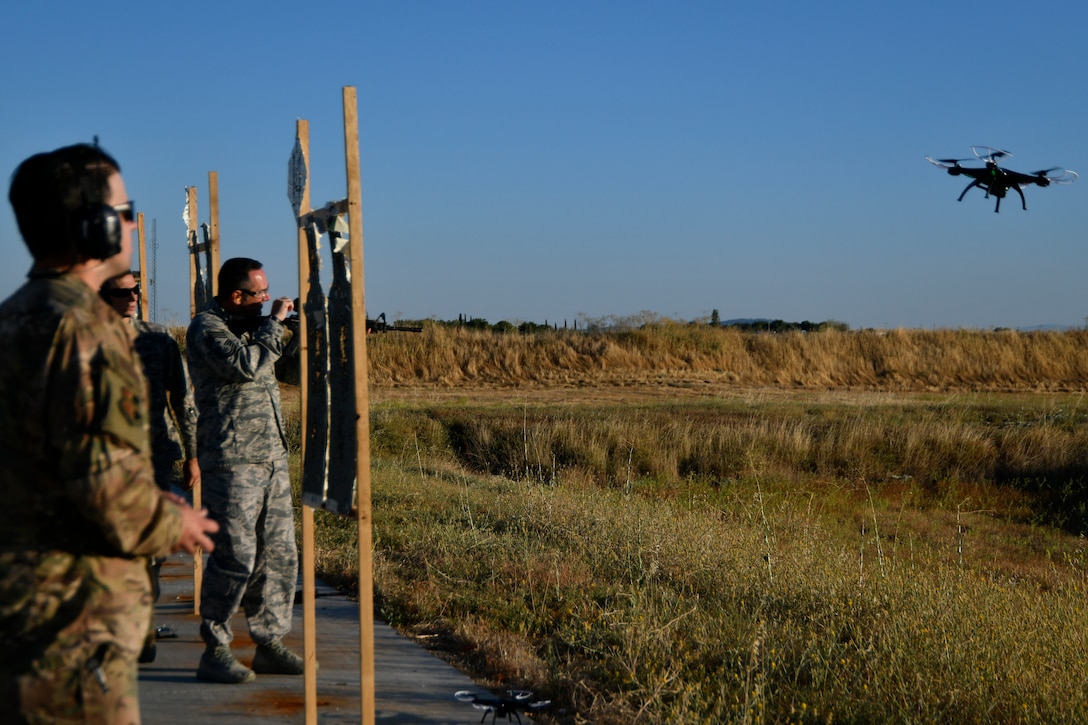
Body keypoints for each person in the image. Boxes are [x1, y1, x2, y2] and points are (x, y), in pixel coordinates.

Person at [0, 143, 219, 723]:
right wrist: (177, 520)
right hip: (74, 626)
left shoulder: (16, 315)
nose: (128, 223)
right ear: (92, 226)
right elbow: (109, 494)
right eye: (124, 211)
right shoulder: (88, 331)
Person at [186, 257, 302, 683]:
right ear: (237, 295)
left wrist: (313, 338)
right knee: (235, 556)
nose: (269, 298)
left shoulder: (254, 328)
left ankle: (269, 642)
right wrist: (275, 324)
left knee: (278, 555)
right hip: (231, 458)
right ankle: (215, 648)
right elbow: (244, 365)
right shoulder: (207, 327)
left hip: (271, 455)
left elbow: (286, 370)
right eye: (261, 293)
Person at [100, 271, 201, 663]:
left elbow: (183, 398)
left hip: (154, 458)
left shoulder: (158, 339)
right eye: (122, 292)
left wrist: (193, 454)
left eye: (136, 291)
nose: (132, 297)